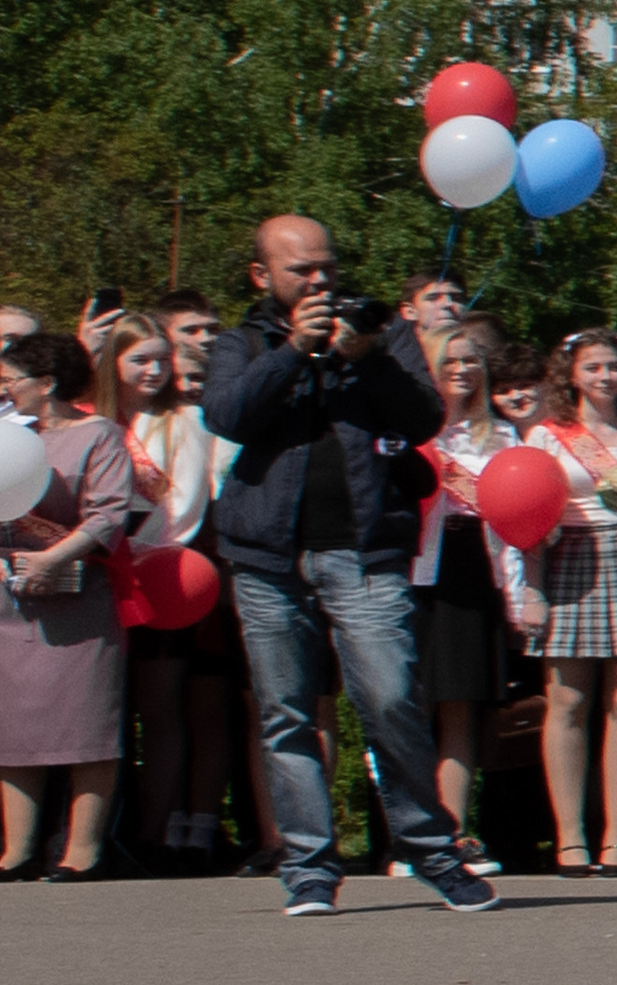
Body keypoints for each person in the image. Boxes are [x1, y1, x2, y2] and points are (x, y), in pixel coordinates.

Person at [202, 217, 498, 918]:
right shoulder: (240, 343)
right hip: (267, 558)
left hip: (365, 550)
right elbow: (228, 416)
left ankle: (431, 850)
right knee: (286, 715)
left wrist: (362, 356)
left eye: (326, 268)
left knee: (393, 699)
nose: (319, 283)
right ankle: (309, 867)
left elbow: (425, 418)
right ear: (262, 276)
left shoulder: (380, 333)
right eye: (302, 271)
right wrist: (296, 353)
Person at [515, 328, 617, 873]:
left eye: (614, 367)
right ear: (572, 375)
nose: (606, 377)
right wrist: (530, 590)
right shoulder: (548, 436)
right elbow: (529, 518)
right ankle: (570, 837)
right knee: (567, 701)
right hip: (568, 561)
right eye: (593, 368)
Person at [0, 330, 136, 880]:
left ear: (47, 384)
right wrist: (1, 561)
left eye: (12, 380)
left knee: (86, 724)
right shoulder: (4, 435)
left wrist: (52, 558)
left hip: (78, 597)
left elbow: (108, 514)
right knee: (10, 727)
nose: (3, 387)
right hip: (9, 600)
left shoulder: (98, 435)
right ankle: (16, 850)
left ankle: (83, 851)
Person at [95, 308, 234, 861]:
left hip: (156, 575)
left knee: (158, 707)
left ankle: (152, 833)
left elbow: (186, 506)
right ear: (114, 363)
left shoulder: (187, 420)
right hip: (95, 579)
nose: (153, 371)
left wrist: (142, 553)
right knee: (102, 712)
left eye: (161, 360)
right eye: (140, 360)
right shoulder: (95, 418)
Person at [410, 317, 524, 874]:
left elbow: (516, 521)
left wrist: (520, 593)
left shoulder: (502, 436)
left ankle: (449, 837)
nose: (462, 369)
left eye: (471, 359)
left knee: (459, 707)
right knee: (401, 707)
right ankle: (406, 835)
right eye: (449, 360)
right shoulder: (407, 432)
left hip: (471, 571)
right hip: (410, 573)